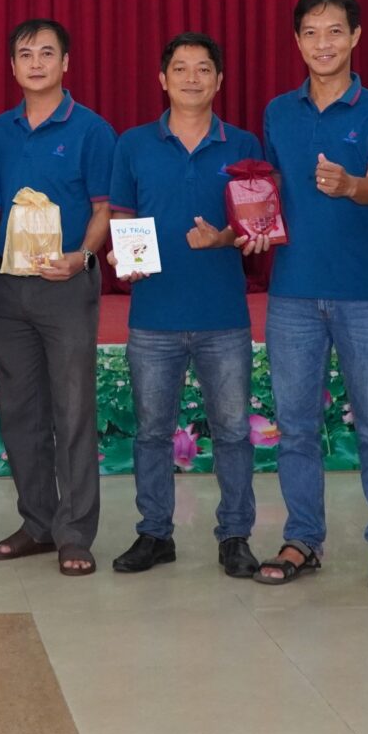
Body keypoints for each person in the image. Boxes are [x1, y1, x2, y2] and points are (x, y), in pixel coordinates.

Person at [247, 0, 368, 591]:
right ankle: (302, 538)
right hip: (290, 291)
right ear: (297, 41)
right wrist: (251, 222)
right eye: (311, 33)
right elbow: (267, 188)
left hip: (362, 291)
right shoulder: (278, 112)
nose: (323, 44)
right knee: (295, 426)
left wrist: (350, 186)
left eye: (335, 31)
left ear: (356, 36)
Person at [108, 33, 263, 579]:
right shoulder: (133, 144)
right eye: (180, 68)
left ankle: (236, 536)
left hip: (223, 315)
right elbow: (122, 215)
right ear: (162, 79)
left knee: (234, 432)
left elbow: (258, 226)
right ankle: (155, 533)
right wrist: (122, 256)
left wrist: (226, 238)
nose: (191, 78)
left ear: (219, 80)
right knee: (152, 432)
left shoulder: (243, 144)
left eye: (203, 69)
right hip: (154, 314)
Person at [0, 19, 116, 577]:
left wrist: (82, 256)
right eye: (25, 54)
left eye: (46, 53)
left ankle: (75, 531)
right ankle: (37, 523)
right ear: (12, 66)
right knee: (19, 410)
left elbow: (104, 208)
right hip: (8, 287)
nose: (35, 63)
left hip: (66, 284)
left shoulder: (91, 130)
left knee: (73, 408)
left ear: (66, 63)